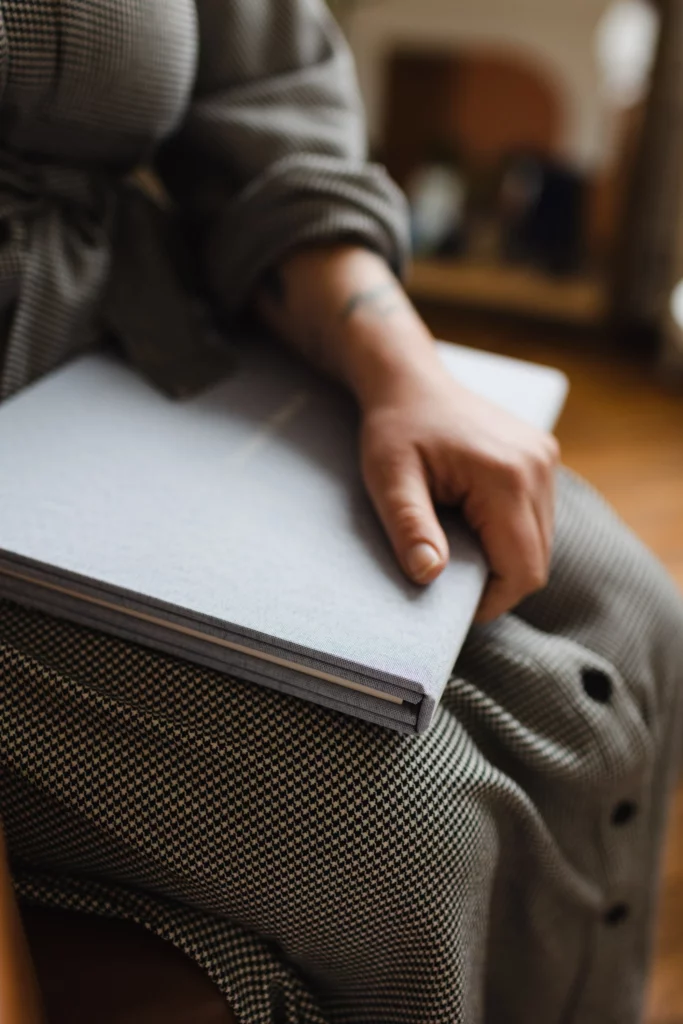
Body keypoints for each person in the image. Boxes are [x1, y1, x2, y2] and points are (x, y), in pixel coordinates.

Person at [0, 2, 682, 1022]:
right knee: (413, 833)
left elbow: (263, 92)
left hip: (139, 338)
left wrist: (394, 361)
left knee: (629, 606)